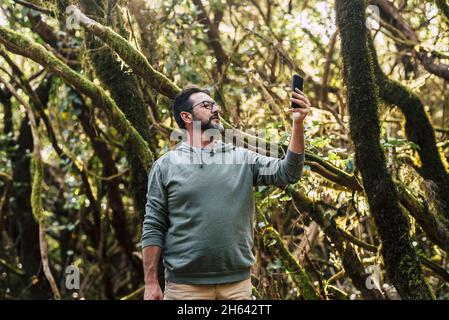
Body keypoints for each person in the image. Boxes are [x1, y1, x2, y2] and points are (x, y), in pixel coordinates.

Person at [142, 84, 310, 300]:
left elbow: (289, 173)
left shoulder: (242, 158)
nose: (216, 109)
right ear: (186, 116)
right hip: (184, 288)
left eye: (215, 104)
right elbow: (153, 225)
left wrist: (298, 123)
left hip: (237, 287)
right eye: (206, 105)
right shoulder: (166, 166)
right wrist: (150, 282)